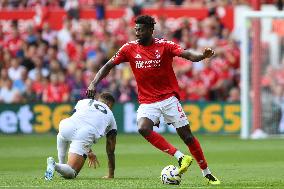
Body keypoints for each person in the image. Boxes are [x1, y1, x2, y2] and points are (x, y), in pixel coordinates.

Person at [86, 15, 220, 185]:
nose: (137, 33)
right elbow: (108, 66)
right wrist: (93, 83)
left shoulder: (165, 45)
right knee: (143, 128)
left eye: (140, 30)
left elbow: (188, 55)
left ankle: (207, 173)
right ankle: (180, 157)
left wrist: (202, 55)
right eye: (135, 30)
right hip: (147, 102)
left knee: (187, 137)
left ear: (150, 30)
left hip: (168, 99)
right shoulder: (129, 48)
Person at [44, 92, 117, 180]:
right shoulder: (110, 115)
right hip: (85, 133)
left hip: (66, 124)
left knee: (62, 135)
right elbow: (110, 148)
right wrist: (111, 174)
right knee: (72, 172)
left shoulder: (85, 101)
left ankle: (60, 165)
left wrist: (88, 151)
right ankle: (54, 165)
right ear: (109, 104)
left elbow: (77, 120)